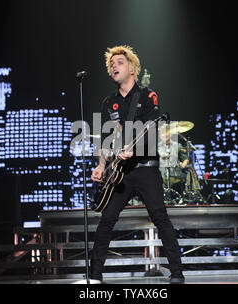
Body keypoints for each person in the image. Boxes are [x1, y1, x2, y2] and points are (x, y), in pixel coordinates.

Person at [90, 45, 184, 284]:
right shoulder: (108, 102)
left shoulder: (147, 96)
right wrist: (101, 165)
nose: (114, 67)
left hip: (145, 169)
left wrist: (134, 150)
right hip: (120, 174)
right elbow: (104, 139)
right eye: (112, 64)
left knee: (160, 217)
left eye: (119, 62)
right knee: (107, 219)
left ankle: (177, 273)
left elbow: (154, 130)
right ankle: (95, 274)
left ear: (132, 69)